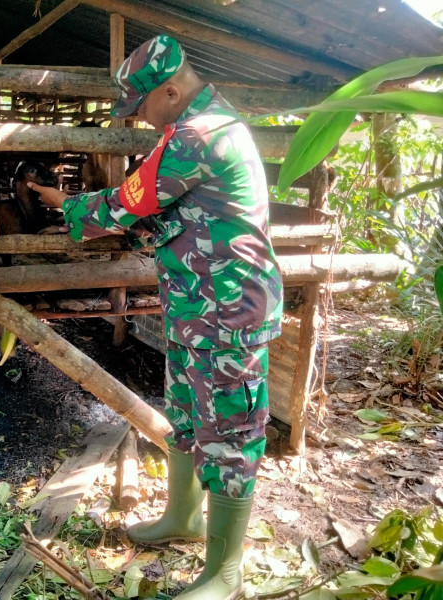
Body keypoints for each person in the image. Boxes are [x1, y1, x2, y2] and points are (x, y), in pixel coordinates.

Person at [29, 35, 283, 600]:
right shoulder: (189, 127)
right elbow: (171, 214)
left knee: (231, 435)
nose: (138, 118)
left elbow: (128, 204)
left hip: (228, 311)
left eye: (141, 105)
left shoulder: (200, 136)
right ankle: (184, 519)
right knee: (191, 417)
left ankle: (226, 572)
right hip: (201, 305)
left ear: (172, 90)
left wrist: (66, 207)